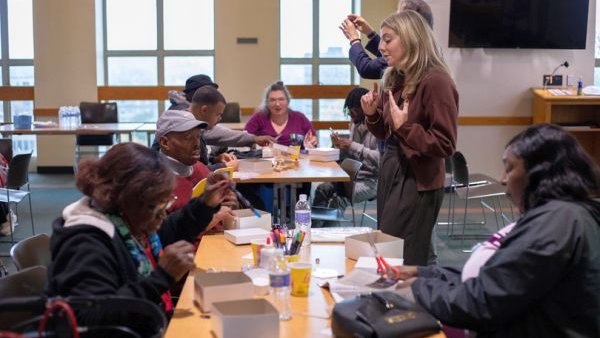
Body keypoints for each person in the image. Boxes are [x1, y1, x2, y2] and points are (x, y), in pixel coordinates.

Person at [393, 124, 600, 338]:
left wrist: (417, 289)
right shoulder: (569, 214)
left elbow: (483, 301)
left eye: (509, 168)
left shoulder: (558, 221)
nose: (502, 179)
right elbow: (503, 273)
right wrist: (426, 273)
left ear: (539, 171)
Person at [47, 143, 230, 328]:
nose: (162, 214)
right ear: (126, 200)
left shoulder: (125, 217)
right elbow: (91, 319)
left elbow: (167, 231)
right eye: (154, 206)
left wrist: (205, 203)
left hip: (154, 318)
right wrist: (161, 278)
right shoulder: (85, 243)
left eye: (164, 203)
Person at [361, 11, 458, 266]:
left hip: (418, 179)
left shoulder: (436, 81)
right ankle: (407, 300)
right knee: (392, 247)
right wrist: (371, 115)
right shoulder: (394, 77)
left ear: (410, 39)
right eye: (381, 40)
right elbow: (385, 132)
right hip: (392, 168)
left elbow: (445, 144)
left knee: (403, 256)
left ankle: (408, 303)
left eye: (388, 39)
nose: (380, 47)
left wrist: (405, 128)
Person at [156, 109, 237, 237]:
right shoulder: (155, 183)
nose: (197, 144)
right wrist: (211, 218)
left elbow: (222, 214)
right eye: (188, 138)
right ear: (165, 143)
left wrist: (229, 204)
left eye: (198, 137)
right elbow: (162, 237)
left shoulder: (199, 168)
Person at [313, 87, 380, 227]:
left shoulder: (378, 128)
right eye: (348, 109)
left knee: (338, 200)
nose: (350, 112)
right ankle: (313, 230)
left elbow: (379, 161)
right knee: (322, 189)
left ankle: (328, 237)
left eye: (353, 109)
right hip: (352, 178)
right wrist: (337, 146)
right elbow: (350, 156)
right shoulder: (355, 125)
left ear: (364, 107)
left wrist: (352, 146)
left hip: (372, 181)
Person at [168, 74, 274, 147]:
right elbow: (212, 134)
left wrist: (215, 157)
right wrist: (252, 139)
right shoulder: (182, 115)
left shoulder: (187, 110)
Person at [340, 0, 433, 79]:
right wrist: (370, 33)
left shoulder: (408, 54)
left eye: (398, 16)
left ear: (411, 23)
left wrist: (354, 40)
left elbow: (367, 69)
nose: (394, 19)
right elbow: (388, 52)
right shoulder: (425, 49)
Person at [245, 81, 317, 148]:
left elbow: (313, 138)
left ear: (288, 101)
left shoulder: (299, 118)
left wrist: (312, 141)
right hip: (264, 160)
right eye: (272, 100)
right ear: (267, 102)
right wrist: (256, 144)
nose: (277, 104)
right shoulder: (259, 118)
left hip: (297, 160)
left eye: (281, 99)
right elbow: (245, 139)